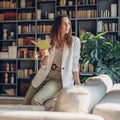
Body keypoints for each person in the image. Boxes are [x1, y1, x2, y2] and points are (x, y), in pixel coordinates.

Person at [24, 14, 81, 107]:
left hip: (59, 78)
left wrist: (78, 84)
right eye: (64, 24)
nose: (68, 26)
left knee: (36, 100)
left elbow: (75, 65)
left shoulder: (75, 41)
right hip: (45, 74)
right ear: (58, 26)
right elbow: (43, 65)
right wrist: (46, 55)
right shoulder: (49, 40)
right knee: (26, 102)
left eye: (69, 24)